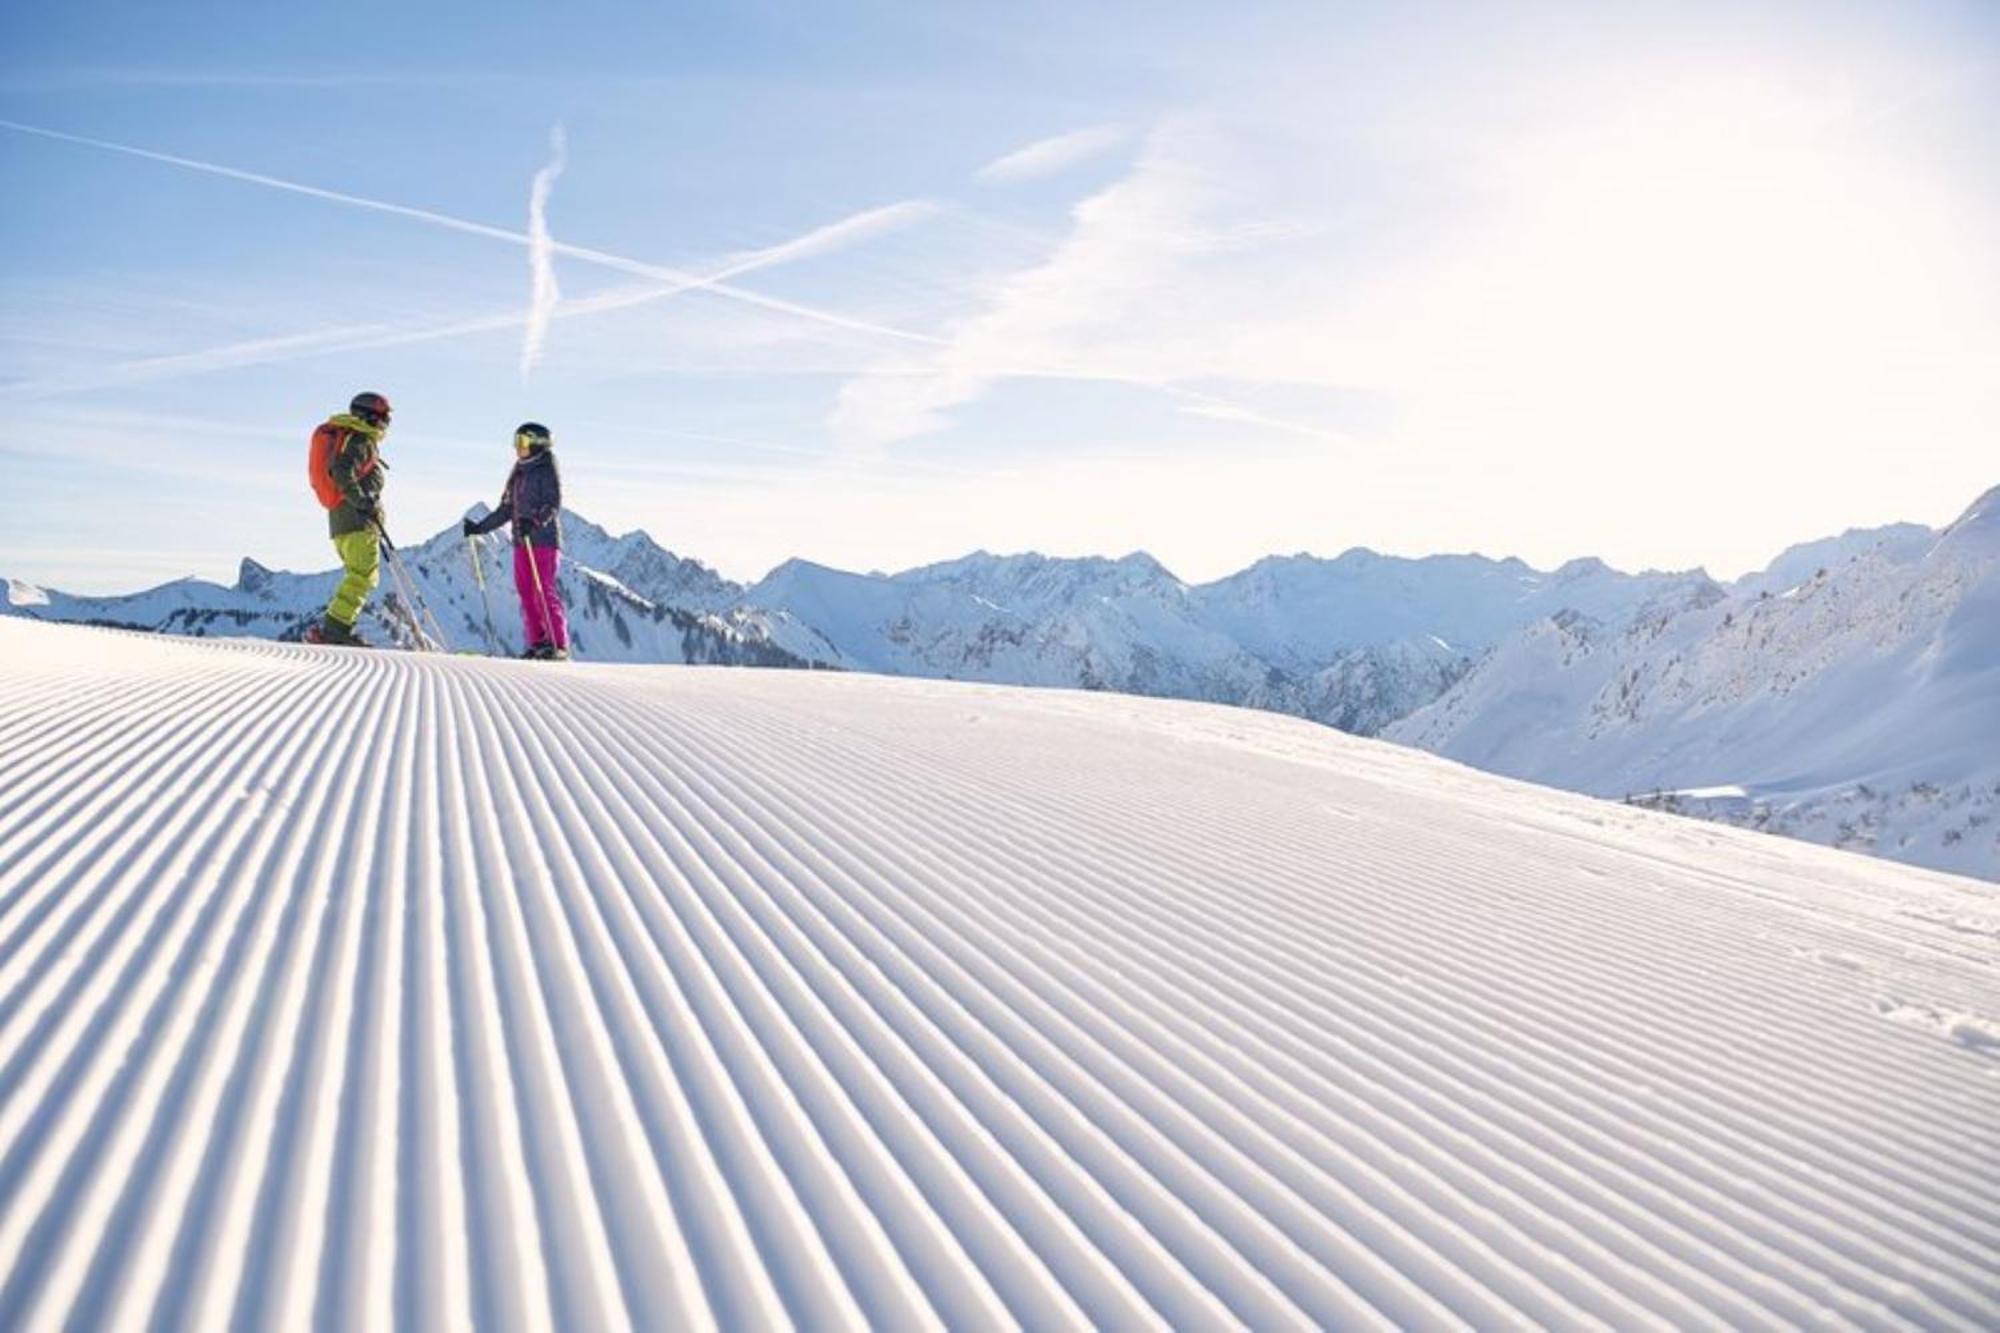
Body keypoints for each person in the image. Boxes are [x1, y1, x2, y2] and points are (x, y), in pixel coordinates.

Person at [464, 421, 569, 659]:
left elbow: (553, 503)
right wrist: (480, 528)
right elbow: (506, 509)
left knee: (543, 590)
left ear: (537, 445)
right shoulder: (519, 472)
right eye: (516, 442)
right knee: (525, 591)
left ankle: (557, 643)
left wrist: (535, 521)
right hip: (521, 542)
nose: (517, 448)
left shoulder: (546, 468)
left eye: (521, 443)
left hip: (542, 541)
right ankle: (536, 642)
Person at [305, 390, 392, 646]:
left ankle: (336, 627)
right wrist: (362, 501)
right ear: (370, 417)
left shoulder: (350, 437)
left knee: (358, 574)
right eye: (383, 417)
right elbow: (341, 471)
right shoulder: (360, 440)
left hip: (342, 521)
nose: (386, 424)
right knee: (363, 574)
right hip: (356, 521)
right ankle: (335, 629)